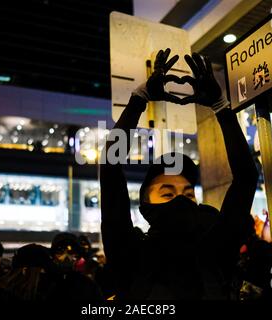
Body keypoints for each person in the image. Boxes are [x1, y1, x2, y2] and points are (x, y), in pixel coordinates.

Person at [100, 49, 259, 299]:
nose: (182, 200)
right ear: (145, 204)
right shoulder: (129, 252)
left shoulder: (218, 245)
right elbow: (111, 167)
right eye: (167, 193)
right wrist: (138, 100)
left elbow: (246, 178)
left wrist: (221, 107)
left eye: (188, 193)